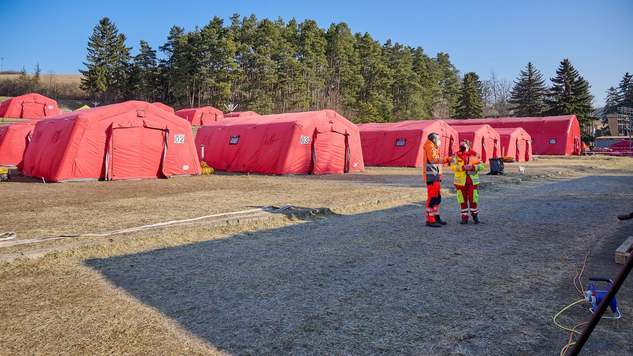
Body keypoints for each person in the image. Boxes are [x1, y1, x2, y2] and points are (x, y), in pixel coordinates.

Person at [450, 139, 485, 224]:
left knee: (473, 199)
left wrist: (473, 167)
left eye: (463, 144)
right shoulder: (456, 155)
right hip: (460, 181)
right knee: (462, 200)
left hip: (472, 181)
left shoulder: (475, 154)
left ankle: (475, 215)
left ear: (468, 145)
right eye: (460, 144)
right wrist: (463, 168)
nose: (461, 146)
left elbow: (481, 165)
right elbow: (453, 166)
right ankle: (464, 217)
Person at [423, 132, 450, 227]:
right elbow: (434, 160)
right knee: (432, 199)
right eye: (438, 139)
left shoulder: (432, 148)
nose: (439, 141)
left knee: (437, 199)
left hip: (435, 176)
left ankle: (436, 218)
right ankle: (430, 220)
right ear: (434, 139)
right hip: (432, 177)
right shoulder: (430, 148)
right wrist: (448, 159)